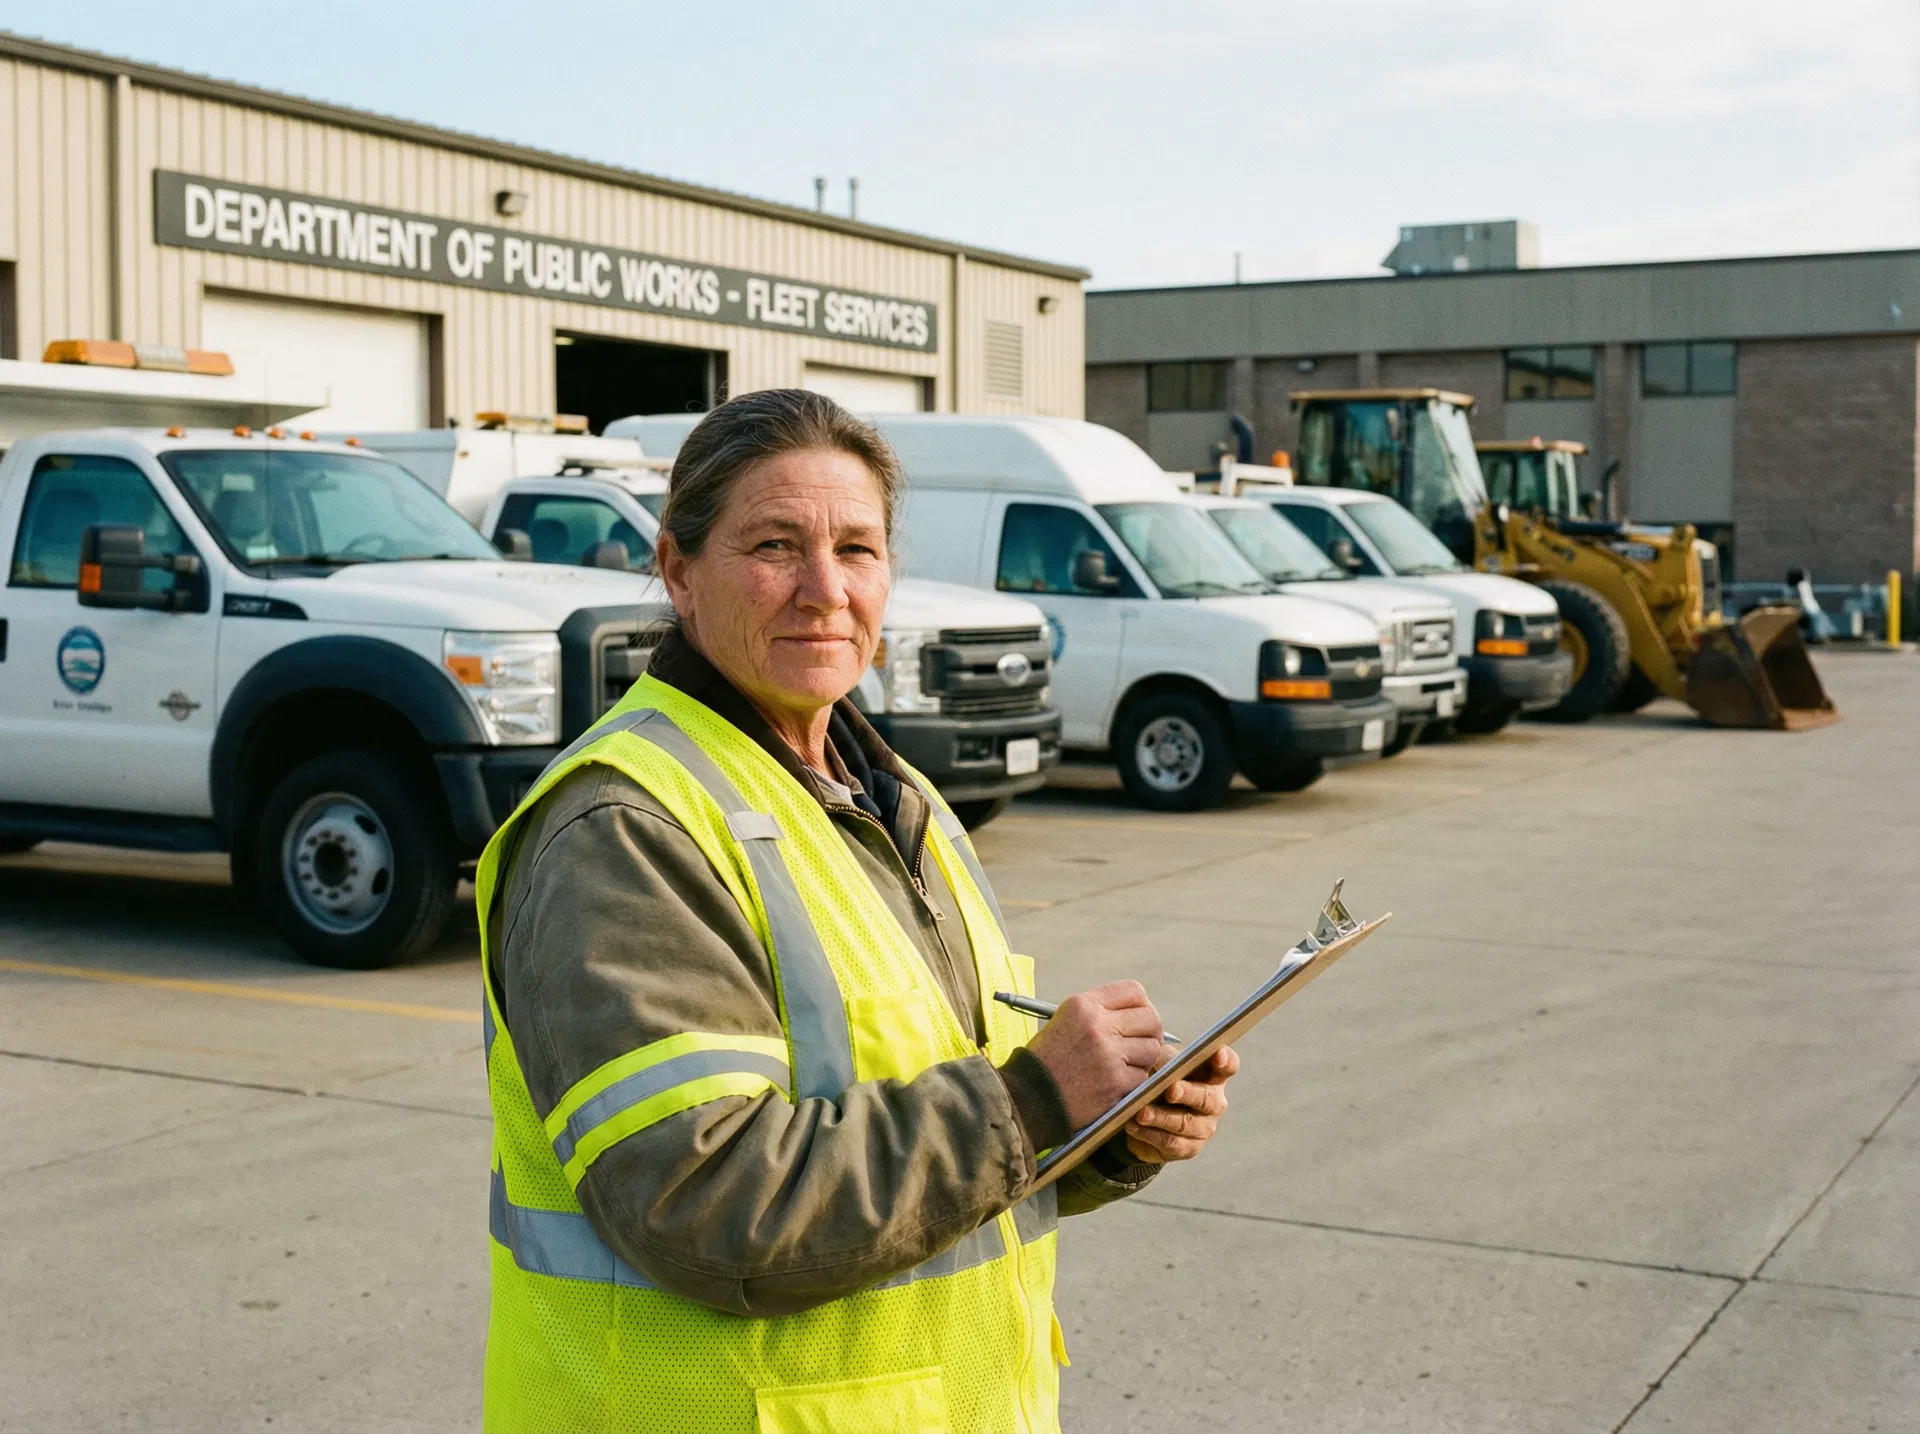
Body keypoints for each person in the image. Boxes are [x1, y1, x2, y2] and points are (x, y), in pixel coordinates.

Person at [475, 389, 1238, 1433]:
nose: (825, 590)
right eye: (775, 547)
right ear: (678, 571)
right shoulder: (624, 828)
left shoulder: (891, 801)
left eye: (857, 549)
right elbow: (703, 1202)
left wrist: (1105, 1126)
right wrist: (1031, 1103)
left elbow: (946, 1119)